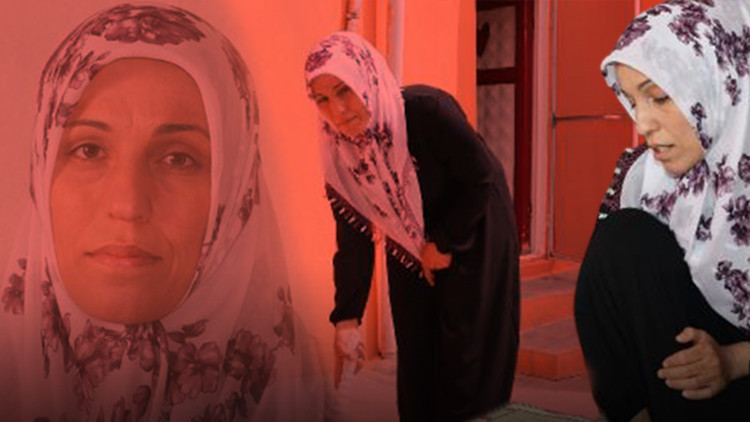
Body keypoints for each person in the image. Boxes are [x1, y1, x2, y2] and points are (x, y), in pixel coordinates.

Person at [0, 4, 324, 421]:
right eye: (89, 150)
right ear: (42, 170)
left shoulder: (290, 385)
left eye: (178, 159)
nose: (128, 205)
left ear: (235, 193)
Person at [303, 32, 520, 421]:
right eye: (322, 99)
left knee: (466, 354)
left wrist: (444, 241)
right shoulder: (339, 152)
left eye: (344, 90)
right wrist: (347, 318)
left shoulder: (425, 112)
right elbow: (353, 237)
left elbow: (481, 176)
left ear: (365, 78)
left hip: (473, 222)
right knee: (416, 352)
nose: (337, 110)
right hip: (405, 240)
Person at [575, 1, 750, 421]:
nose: (643, 124)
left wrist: (732, 361)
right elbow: (605, 303)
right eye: (634, 102)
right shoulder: (642, 176)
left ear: (719, 82)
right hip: (677, 396)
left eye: (659, 97)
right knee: (623, 240)